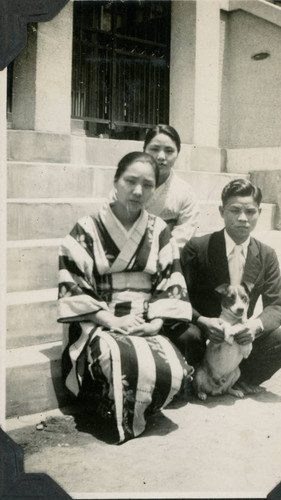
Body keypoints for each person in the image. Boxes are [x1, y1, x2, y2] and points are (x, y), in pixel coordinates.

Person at [58, 152, 193, 444]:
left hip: (143, 318)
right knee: (119, 357)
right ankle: (107, 408)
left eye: (147, 184)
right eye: (130, 181)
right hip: (98, 319)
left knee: (176, 369)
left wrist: (156, 322)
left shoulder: (159, 230)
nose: (137, 191)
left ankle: (132, 409)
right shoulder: (88, 227)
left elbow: (170, 279)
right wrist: (112, 320)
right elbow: (74, 284)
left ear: (155, 189)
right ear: (115, 181)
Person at [178, 178, 281, 394]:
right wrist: (202, 320)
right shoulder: (197, 247)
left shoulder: (266, 255)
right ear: (221, 211)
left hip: (240, 337)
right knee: (188, 336)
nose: (243, 218)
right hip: (203, 336)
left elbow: (278, 306)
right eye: (234, 210)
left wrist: (254, 327)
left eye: (250, 212)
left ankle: (240, 380)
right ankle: (193, 378)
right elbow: (178, 296)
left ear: (259, 213)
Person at [143, 125, 199, 248]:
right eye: (155, 149)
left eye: (169, 151)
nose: (161, 157)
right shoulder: (129, 184)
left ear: (177, 153)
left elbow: (184, 234)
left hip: (167, 257)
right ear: (144, 150)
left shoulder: (185, 192)